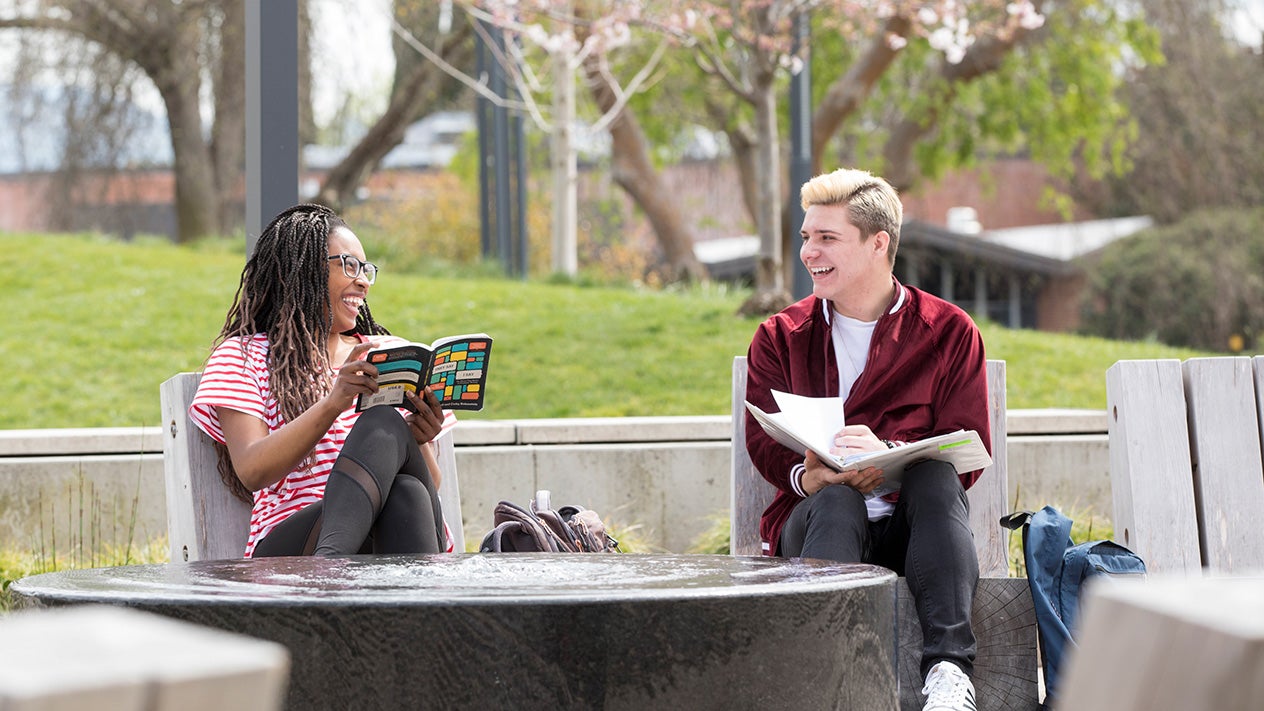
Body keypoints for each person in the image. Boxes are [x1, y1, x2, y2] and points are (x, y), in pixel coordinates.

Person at [744, 168, 990, 711]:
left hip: (917, 533)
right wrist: (808, 476)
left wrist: (889, 454)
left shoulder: (949, 332)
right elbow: (763, 442)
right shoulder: (780, 337)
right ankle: (827, 684)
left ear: (878, 243)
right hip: (819, 529)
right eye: (807, 237)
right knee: (836, 498)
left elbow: (967, 452)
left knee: (934, 475)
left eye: (826, 238)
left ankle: (950, 676)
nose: (809, 252)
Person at [189, 203, 456, 558]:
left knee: (407, 488)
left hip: (392, 543)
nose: (362, 280)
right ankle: (334, 564)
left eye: (366, 269)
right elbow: (252, 470)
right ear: (302, 271)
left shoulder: (389, 353)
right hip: (296, 546)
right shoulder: (244, 356)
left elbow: (430, 489)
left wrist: (417, 438)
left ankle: (333, 572)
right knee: (382, 422)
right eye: (348, 266)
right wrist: (333, 403)